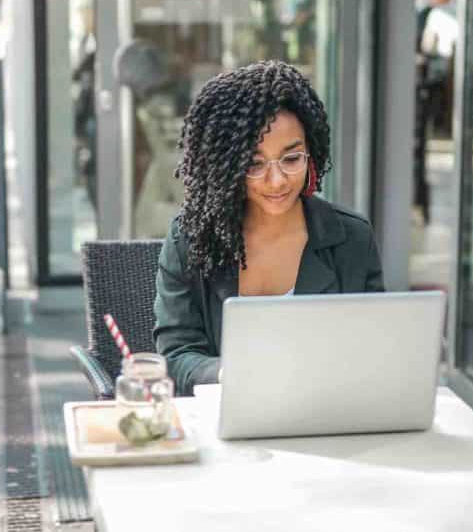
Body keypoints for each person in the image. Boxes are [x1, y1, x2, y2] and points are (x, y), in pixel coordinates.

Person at [152, 61, 385, 395]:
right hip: (225, 421)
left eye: (291, 159)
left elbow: (373, 350)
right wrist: (228, 373)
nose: (276, 181)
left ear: (312, 154)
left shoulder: (352, 238)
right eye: (254, 164)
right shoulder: (190, 238)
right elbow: (176, 356)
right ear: (226, 167)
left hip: (329, 415)